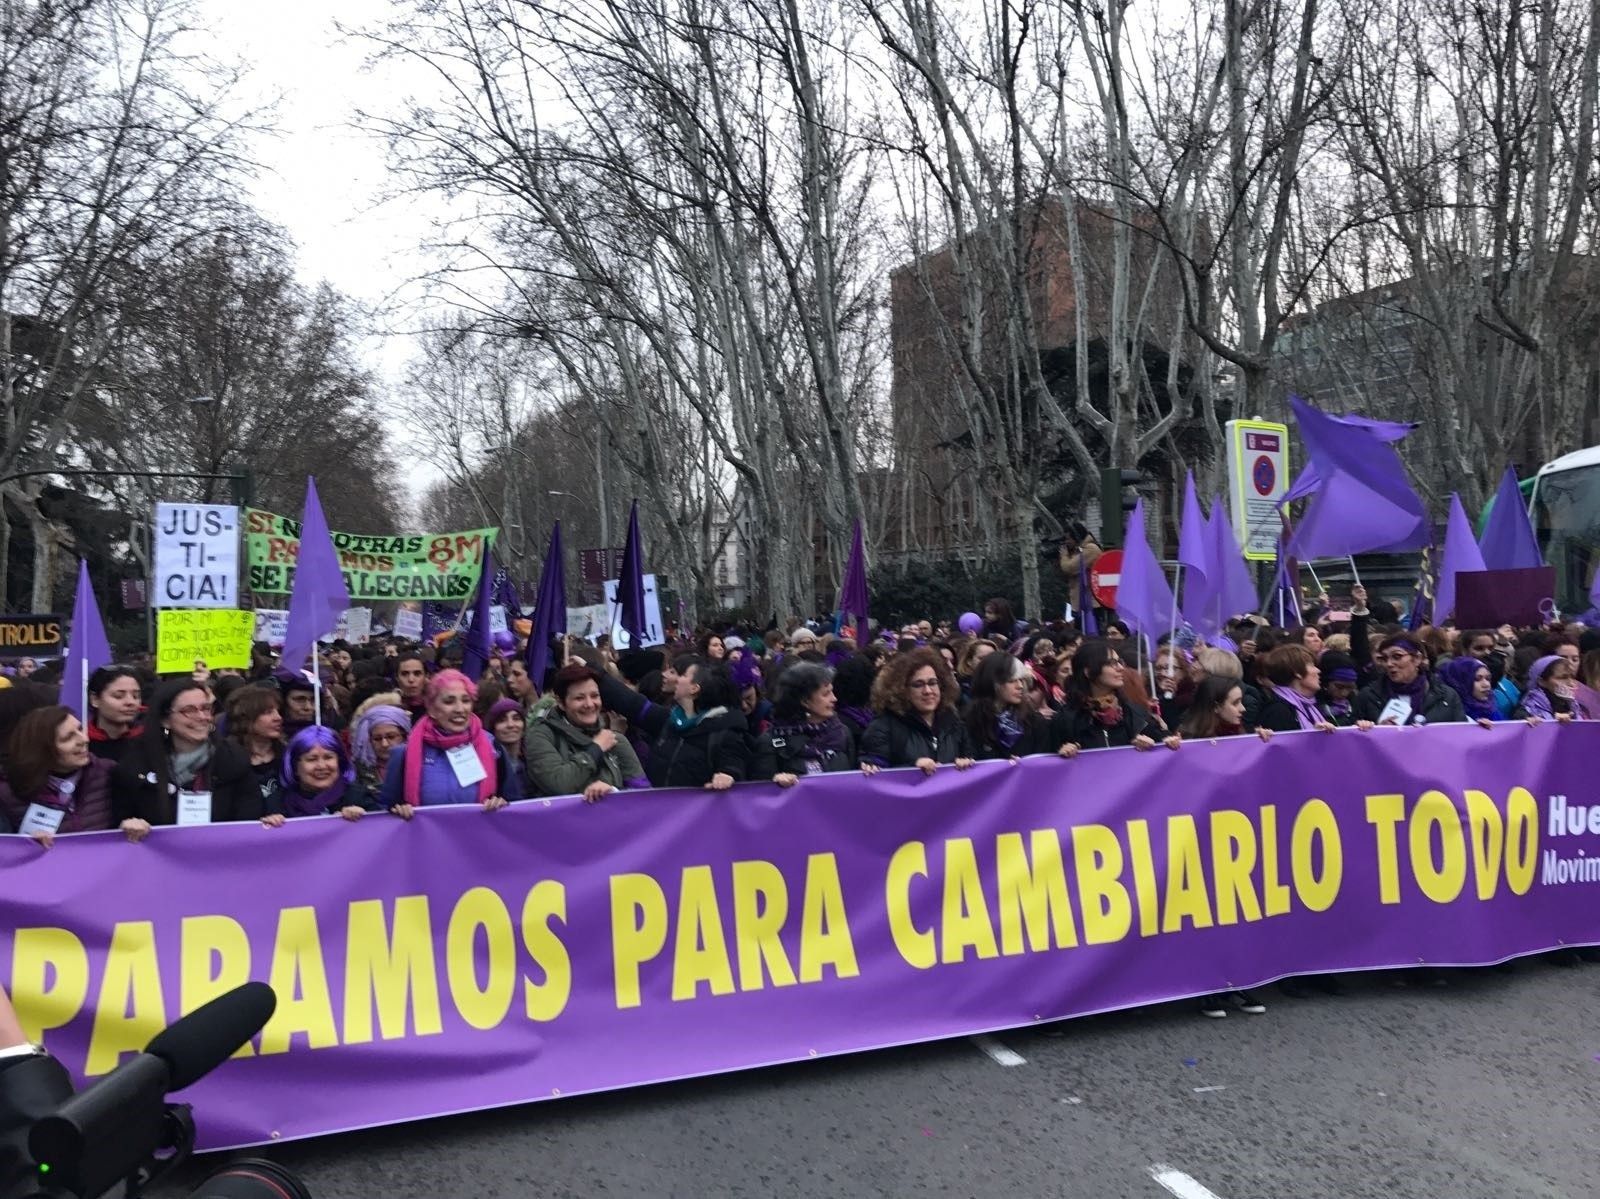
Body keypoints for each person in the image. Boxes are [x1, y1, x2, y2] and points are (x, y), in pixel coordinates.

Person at [112, 679, 263, 838]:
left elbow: (248, 823)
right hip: (159, 861)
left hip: (220, 858)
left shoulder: (233, 759)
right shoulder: (135, 767)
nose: (202, 717)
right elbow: (119, 822)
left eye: (206, 708)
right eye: (189, 710)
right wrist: (128, 826)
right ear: (165, 720)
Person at [380, 669, 511, 818]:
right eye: (449, 701)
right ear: (432, 709)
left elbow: (515, 805)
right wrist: (398, 810)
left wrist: (502, 804)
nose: (460, 709)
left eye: (466, 700)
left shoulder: (493, 748)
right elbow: (385, 814)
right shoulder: (403, 754)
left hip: (478, 838)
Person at [525, 664, 649, 801]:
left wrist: (613, 792)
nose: (589, 704)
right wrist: (595, 749)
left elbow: (642, 794)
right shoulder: (540, 735)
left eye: (595, 696)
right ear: (561, 703)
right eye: (579, 698)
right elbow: (558, 784)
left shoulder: (616, 740)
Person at [0, 706, 117, 843]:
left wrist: (132, 825)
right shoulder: (8, 792)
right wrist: (26, 844)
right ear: (42, 750)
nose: (84, 740)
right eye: (68, 738)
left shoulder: (108, 773)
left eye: (80, 730)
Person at [1047, 640, 1178, 753]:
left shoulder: (1135, 714)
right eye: (1112, 663)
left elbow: (1164, 744)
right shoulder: (1065, 720)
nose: (1121, 668)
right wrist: (1062, 755)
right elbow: (1046, 766)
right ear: (1088, 672)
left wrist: (1162, 742)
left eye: (1119, 662)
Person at [860, 647, 975, 773]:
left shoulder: (954, 722)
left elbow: (969, 758)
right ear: (902, 690)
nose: (928, 691)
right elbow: (875, 776)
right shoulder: (883, 726)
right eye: (918, 685)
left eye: (932, 683)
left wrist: (966, 764)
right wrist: (912, 769)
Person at [751, 662, 861, 784]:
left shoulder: (842, 732)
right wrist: (776, 781)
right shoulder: (771, 742)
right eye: (826, 694)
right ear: (805, 701)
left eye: (832, 692)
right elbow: (760, 793)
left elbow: (854, 781)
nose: (834, 698)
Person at [262, 725, 379, 824]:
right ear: (294, 766)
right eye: (312, 759)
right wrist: (271, 826)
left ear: (340, 762)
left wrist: (364, 819)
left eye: (328, 757)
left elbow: (381, 834)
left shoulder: (359, 797)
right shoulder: (277, 802)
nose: (321, 766)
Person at [1351, 634, 1465, 726]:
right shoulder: (1368, 696)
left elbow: (1460, 735)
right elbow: (1354, 741)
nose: (1389, 664)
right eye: (1384, 658)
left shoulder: (1446, 696)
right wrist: (1376, 730)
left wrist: (1480, 728)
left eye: (1397, 656)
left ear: (1417, 659)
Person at [963, 652, 1049, 760]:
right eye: (1012, 680)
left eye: (1022, 680)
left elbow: (1044, 761)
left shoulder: (1034, 722)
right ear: (992, 682)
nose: (1020, 686)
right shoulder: (971, 722)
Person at [224, 685, 286, 810]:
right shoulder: (227, 757)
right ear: (245, 718)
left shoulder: (287, 754)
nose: (278, 718)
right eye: (268, 712)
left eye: (277, 711)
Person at [1254, 645, 1337, 733]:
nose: (1318, 671)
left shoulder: (1310, 705)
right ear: (1297, 672)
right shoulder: (1277, 711)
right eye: (1312, 666)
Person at [1177, 675, 1270, 742]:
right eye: (1235, 703)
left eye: (1241, 701)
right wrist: (1173, 746)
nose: (1243, 708)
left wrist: (1258, 740)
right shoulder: (1187, 740)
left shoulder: (1238, 732)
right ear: (1216, 707)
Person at [349, 698, 412, 792]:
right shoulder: (355, 771)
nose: (384, 744)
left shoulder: (418, 764)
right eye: (377, 739)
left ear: (405, 736)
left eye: (391, 737)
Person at [84, 667, 143, 764]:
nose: (130, 702)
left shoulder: (149, 739)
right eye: (118, 696)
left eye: (135, 696)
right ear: (95, 699)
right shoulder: (81, 742)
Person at [1514, 655, 1582, 722]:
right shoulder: (1527, 710)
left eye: (1572, 677)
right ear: (1542, 681)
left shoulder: (1574, 706)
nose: (1571, 683)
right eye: (1563, 678)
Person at [485, 698, 528, 800]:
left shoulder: (532, 762)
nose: (510, 725)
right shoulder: (487, 765)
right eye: (502, 720)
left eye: (516, 718)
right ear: (493, 728)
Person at [394, 652, 429, 723]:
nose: (411, 679)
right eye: (404, 674)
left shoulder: (438, 708)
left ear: (426, 676)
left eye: (417, 674)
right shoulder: (389, 710)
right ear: (397, 678)